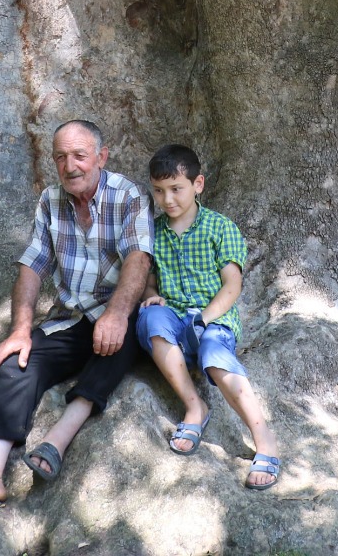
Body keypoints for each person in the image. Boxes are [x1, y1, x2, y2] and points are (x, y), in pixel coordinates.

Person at [0, 119, 154, 517]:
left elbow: (139, 257)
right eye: (61, 157)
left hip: (115, 310)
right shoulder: (51, 200)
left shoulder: (128, 195)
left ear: (101, 157)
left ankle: (58, 440)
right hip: (69, 318)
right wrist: (19, 331)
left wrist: (117, 313)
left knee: (126, 334)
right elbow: (33, 265)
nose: (70, 166)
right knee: (14, 363)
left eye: (80, 156)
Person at [136, 143, 281, 490]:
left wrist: (204, 319)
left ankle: (265, 440)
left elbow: (232, 286)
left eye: (176, 189)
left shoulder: (219, 228)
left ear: (197, 184)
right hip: (173, 319)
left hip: (213, 320)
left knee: (214, 356)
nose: (167, 199)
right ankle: (194, 407)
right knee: (149, 322)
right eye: (159, 191)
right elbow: (150, 281)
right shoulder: (153, 232)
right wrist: (151, 296)